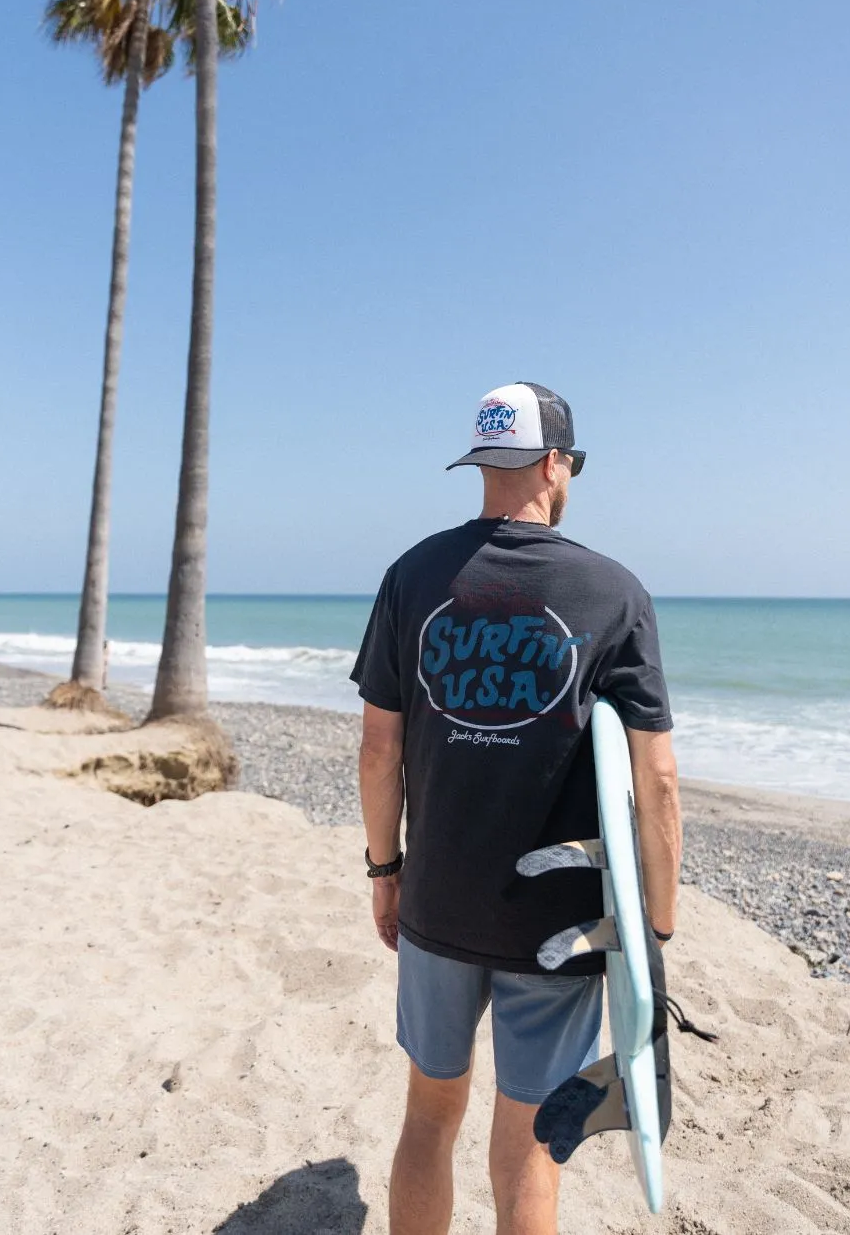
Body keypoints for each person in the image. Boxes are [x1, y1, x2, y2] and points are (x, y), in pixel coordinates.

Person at [351, 381, 682, 1235]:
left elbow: (379, 751)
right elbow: (657, 782)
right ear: (553, 463)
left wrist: (385, 872)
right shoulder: (614, 593)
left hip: (437, 901)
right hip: (556, 924)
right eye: (571, 461)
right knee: (531, 1141)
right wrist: (661, 923)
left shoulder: (412, 574)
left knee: (428, 1119)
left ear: (483, 463)